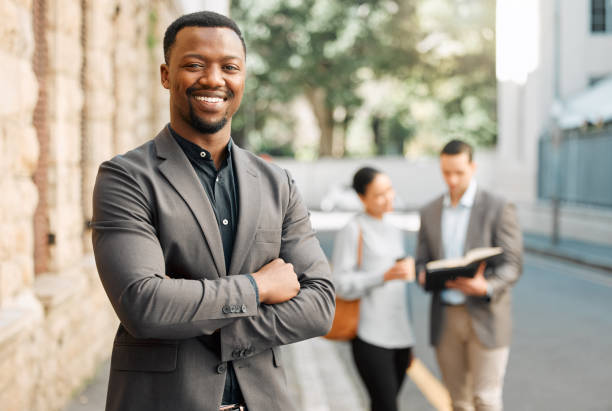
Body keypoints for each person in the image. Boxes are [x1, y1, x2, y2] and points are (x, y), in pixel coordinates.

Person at [91, 11, 335, 411]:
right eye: (194, 65)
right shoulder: (126, 178)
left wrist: (202, 319)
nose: (214, 79)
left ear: (243, 79)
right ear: (166, 75)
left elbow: (320, 304)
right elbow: (144, 304)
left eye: (229, 67)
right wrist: (259, 288)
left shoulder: (278, 184)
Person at [416, 139, 523, 411]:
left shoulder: (499, 206)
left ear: (473, 167)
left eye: (458, 172)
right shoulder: (429, 211)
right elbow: (421, 260)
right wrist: (421, 275)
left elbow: (513, 264)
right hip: (446, 318)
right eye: (446, 172)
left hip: (486, 315)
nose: (451, 180)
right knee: (459, 402)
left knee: (485, 399)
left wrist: (485, 286)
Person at [332, 166, 416, 411]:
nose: (388, 197)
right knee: (387, 406)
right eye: (379, 194)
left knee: (382, 406)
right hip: (370, 335)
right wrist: (382, 276)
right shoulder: (353, 229)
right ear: (362, 198)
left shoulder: (394, 229)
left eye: (389, 190)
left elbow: (400, 292)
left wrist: (408, 340)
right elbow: (340, 284)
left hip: (400, 337)